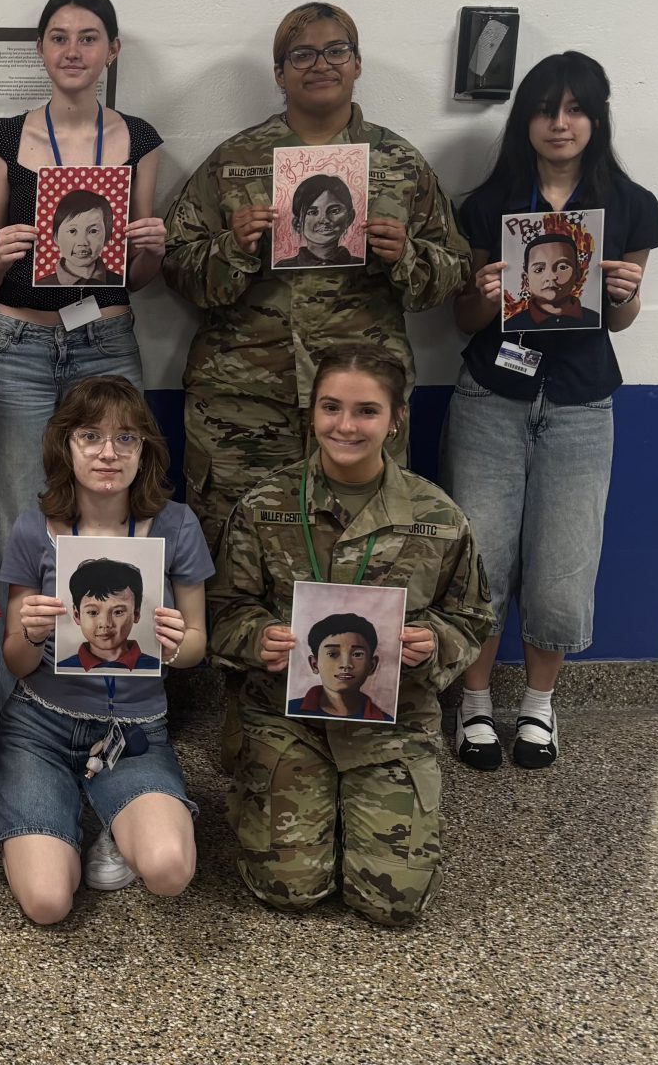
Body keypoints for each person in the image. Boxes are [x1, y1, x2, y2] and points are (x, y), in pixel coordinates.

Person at [164, 0, 470, 554]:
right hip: (244, 403)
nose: (320, 64)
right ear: (279, 73)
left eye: (336, 51)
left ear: (356, 64)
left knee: (362, 554)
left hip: (361, 402)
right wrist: (233, 248)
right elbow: (175, 266)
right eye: (301, 54)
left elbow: (453, 273)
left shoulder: (398, 163)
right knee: (235, 558)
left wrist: (404, 256)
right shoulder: (234, 163)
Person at [209, 345, 492, 926]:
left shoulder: (437, 516)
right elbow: (221, 609)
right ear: (311, 413)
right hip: (289, 719)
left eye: (366, 411)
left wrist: (433, 642)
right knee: (291, 892)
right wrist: (255, 635)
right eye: (331, 407)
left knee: (391, 904)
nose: (345, 425)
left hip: (391, 723)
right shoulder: (264, 507)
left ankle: (359, 810)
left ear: (396, 419)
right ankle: (292, 800)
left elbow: (472, 615)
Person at [444, 51, 658, 771]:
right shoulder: (486, 203)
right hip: (491, 398)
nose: (560, 123)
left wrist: (626, 294)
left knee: (564, 564)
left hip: (580, 401)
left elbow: (620, 322)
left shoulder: (632, 205)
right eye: (545, 109)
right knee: (481, 556)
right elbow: (466, 319)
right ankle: (475, 705)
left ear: (596, 118)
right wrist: (482, 286)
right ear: (525, 119)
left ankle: (538, 705)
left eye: (575, 109)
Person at [0, 0, 168, 729]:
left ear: (112, 51)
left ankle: (108, 711)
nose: (74, 51)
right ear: (41, 51)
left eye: (90, 37)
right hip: (18, 341)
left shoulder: (138, 140)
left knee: (112, 519)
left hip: (106, 338)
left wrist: (150, 253)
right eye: (59, 37)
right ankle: (11, 728)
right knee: (17, 529)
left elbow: (137, 277)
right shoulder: (2, 139)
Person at [0, 376, 208, 924]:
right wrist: (33, 633)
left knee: (169, 871)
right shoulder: (33, 530)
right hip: (40, 726)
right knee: (47, 903)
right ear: (65, 445)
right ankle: (67, 811)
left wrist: (178, 643)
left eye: (126, 439)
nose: (108, 453)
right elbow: (14, 659)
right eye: (90, 436)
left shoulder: (177, 526)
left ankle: (109, 813)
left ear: (145, 451)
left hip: (132, 732)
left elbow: (197, 649)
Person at [287, 612, 393, 722]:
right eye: (332, 654)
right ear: (314, 664)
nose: (345, 664)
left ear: (372, 665)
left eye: (357, 654)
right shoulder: (291, 711)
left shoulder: (385, 720)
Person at [54, 558, 151, 672]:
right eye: (93, 613)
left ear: (136, 613)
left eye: (118, 612)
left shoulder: (153, 666)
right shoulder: (64, 668)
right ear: (77, 615)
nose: (105, 624)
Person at [501, 233, 601, 331]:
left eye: (562, 267)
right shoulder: (512, 326)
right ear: (526, 281)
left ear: (578, 274)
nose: (551, 277)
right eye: (539, 269)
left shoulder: (595, 320)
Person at [273, 173, 365, 270]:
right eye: (312, 212)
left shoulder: (362, 266)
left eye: (334, 211)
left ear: (350, 218)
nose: (324, 220)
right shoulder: (283, 267)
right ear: (297, 224)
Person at [44, 189, 117, 286]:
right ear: (56, 237)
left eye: (93, 231)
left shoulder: (118, 282)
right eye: (72, 231)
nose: (82, 242)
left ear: (106, 238)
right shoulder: (43, 285)